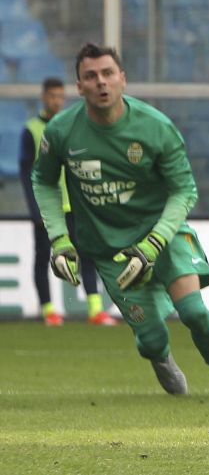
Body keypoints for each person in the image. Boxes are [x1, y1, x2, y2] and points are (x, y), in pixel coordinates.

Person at [32, 43, 209, 397]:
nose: (101, 82)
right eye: (91, 76)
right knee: (151, 339)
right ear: (79, 87)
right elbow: (42, 180)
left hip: (162, 235)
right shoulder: (61, 132)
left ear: (123, 79)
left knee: (195, 312)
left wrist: (153, 243)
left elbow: (185, 191)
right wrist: (59, 239)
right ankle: (160, 356)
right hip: (109, 248)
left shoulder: (156, 127)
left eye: (108, 74)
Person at [20, 77, 115, 327]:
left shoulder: (73, 126)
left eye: (61, 96)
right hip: (47, 209)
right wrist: (35, 209)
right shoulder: (31, 130)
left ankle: (95, 309)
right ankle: (48, 310)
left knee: (87, 254)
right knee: (43, 257)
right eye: (52, 96)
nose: (57, 101)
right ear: (44, 97)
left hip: (75, 205)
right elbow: (26, 173)